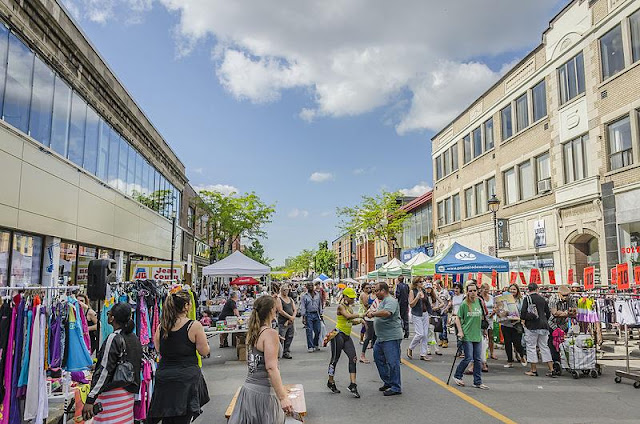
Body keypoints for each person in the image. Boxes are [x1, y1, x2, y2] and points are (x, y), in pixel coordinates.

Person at [228, 296, 293, 424]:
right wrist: (283, 397)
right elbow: (271, 368)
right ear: (271, 311)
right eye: (276, 308)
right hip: (263, 394)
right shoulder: (269, 333)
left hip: (248, 392)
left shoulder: (254, 331)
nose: (278, 310)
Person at [148, 289, 210, 423]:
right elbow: (204, 352)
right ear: (186, 306)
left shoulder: (161, 326)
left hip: (165, 378)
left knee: (168, 419)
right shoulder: (194, 326)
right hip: (185, 380)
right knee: (182, 419)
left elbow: (158, 349)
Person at [83, 302, 142, 423]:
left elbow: (104, 371)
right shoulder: (134, 338)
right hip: (127, 396)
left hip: (112, 396)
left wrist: (90, 399)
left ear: (112, 318)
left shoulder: (114, 337)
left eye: (109, 313)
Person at [367, 282, 403, 396]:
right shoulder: (382, 302)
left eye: (377, 290)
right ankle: (388, 381)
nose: (375, 293)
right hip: (381, 337)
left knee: (393, 362)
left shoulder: (391, 301)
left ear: (383, 290)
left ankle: (396, 386)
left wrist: (373, 314)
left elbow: (387, 313)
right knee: (378, 358)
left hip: (390, 337)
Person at [327, 288, 363, 398]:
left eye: (354, 298)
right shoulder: (341, 306)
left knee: (353, 358)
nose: (353, 300)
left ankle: (353, 384)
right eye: (351, 298)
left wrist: (360, 321)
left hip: (347, 336)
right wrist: (361, 315)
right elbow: (347, 316)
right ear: (345, 297)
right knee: (334, 359)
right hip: (338, 335)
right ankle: (330, 381)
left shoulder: (350, 308)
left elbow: (350, 321)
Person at [453, 281, 489, 390]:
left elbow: (482, 317)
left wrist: (484, 330)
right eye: (470, 291)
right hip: (467, 334)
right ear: (467, 292)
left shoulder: (479, 302)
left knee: (478, 359)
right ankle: (458, 375)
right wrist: (460, 331)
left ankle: (477, 382)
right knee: (468, 358)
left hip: (477, 334)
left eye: (474, 290)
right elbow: (457, 318)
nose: (473, 293)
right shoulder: (464, 304)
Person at [521, 282, 554, 378]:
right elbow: (548, 313)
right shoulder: (542, 299)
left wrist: (526, 319)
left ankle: (533, 369)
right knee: (544, 347)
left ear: (528, 289)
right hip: (544, 325)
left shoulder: (527, 299)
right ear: (537, 289)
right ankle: (551, 369)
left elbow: (523, 313)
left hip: (532, 326)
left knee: (531, 347)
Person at [548, 285, 577, 372]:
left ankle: (566, 363)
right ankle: (556, 362)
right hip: (553, 324)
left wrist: (564, 313)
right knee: (554, 345)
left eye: (567, 295)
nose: (566, 297)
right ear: (559, 294)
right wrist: (567, 313)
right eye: (564, 295)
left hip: (564, 325)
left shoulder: (571, 298)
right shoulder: (553, 299)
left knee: (565, 344)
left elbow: (575, 312)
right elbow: (554, 313)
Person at [499, 284, 527, 368]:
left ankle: (522, 355)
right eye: (511, 289)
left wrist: (521, 319)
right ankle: (509, 361)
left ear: (517, 291)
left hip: (516, 324)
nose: (512, 291)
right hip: (506, 324)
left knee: (517, 343)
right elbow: (500, 309)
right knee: (507, 343)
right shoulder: (504, 299)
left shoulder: (520, 300)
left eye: (514, 289)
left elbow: (523, 311)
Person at [407, 277, 430, 361]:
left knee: (425, 334)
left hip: (425, 313)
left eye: (422, 281)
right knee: (420, 333)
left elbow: (427, 302)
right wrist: (417, 297)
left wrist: (431, 310)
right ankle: (410, 348)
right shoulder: (412, 291)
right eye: (420, 282)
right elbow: (411, 304)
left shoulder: (424, 291)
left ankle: (423, 354)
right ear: (416, 283)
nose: (422, 283)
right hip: (417, 314)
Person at [276, 284, 297, 359]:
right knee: (282, 336)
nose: (286, 291)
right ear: (281, 291)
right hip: (283, 321)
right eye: (284, 290)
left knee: (290, 336)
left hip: (290, 321)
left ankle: (286, 351)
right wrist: (290, 317)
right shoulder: (279, 299)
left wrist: (293, 317)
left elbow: (295, 309)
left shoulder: (290, 299)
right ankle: (280, 351)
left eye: (287, 290)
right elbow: (280, 310)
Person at [300, 282, 323, 352]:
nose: (310, 287)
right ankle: (310, 346)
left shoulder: (317, 295)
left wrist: (321, 314)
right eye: (309, 286)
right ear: (306, 287)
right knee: (309, 331)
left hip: (316, 314)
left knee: (318, 330)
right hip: (308, 314)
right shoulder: (304, 296)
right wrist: (303, 316)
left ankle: (315, 344)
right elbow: (303, 306)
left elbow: (320, 304)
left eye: (311, 285)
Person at [360, 284, 378, 364]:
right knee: (368, 337)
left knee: (375, 337)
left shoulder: (379, 297)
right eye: (372, 288)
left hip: (376, 318)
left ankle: (376, 356)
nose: (373, 289)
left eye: (373, 287)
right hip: (369, 318)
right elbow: (367, 306)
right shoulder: (367, 296)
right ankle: (362, 355)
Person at [424, 282, 443, 356]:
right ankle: (430, 348)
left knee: (433, 332)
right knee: (429, 332)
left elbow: (442, 303)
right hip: (426, 315)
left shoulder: (434, 296)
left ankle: (435, 348)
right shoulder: (423, 296)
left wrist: (436, 308)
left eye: (429, 288)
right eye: (427, 288)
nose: (428, 290)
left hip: (432, 314)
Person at [480, 283, 497, 361]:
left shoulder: (491, 297)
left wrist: (494, 312)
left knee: (491, 336)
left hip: (490, 317)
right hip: (483, 318)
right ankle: (483, 352)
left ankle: (492, 352)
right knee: (483, 336)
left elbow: (495, 306)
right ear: (482, 289)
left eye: (488, 289)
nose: (487, 291)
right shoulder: (479, 298)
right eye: (485, 289)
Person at [435, 279, 451, 348]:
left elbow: (449, 301)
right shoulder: (434, 292)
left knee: (444, 326)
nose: (434, 286)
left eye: (435, 284)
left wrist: (447, 308)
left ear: (439, 285)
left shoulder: (445, 292)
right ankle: (440, 339)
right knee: (438, 326)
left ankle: (445, 340)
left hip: (444, 311)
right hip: (437, 311)